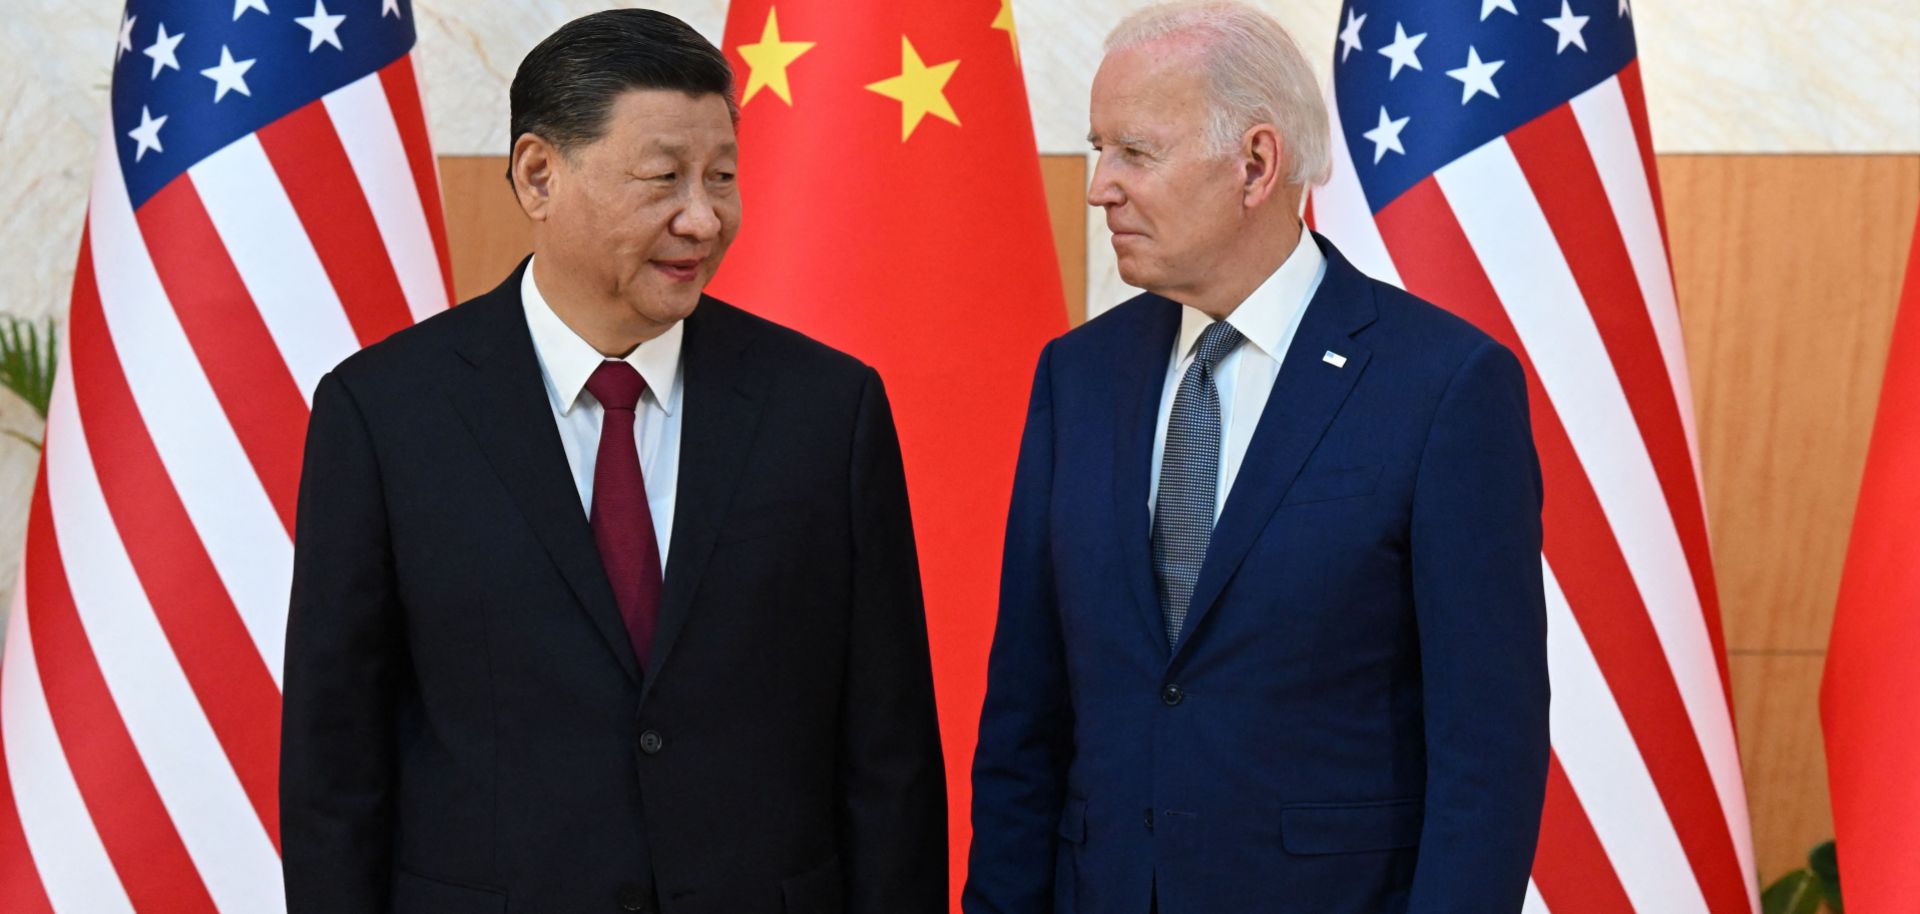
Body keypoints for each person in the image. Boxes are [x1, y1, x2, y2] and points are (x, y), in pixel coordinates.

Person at [280, 10, 946, 913]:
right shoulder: (384, 412)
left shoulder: (828, 410)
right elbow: (336, 759)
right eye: (663, 178)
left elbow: (889, 752)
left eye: (722, 178)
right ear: (539, 175)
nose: (703, 218)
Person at [964, 3, 1549, 912]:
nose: (1099, 187)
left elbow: (1488, 749)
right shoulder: (1077, 375)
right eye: (1098, 148)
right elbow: (1025, 718)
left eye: (1136, 152)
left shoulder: (1443, 385)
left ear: (1256, 164)